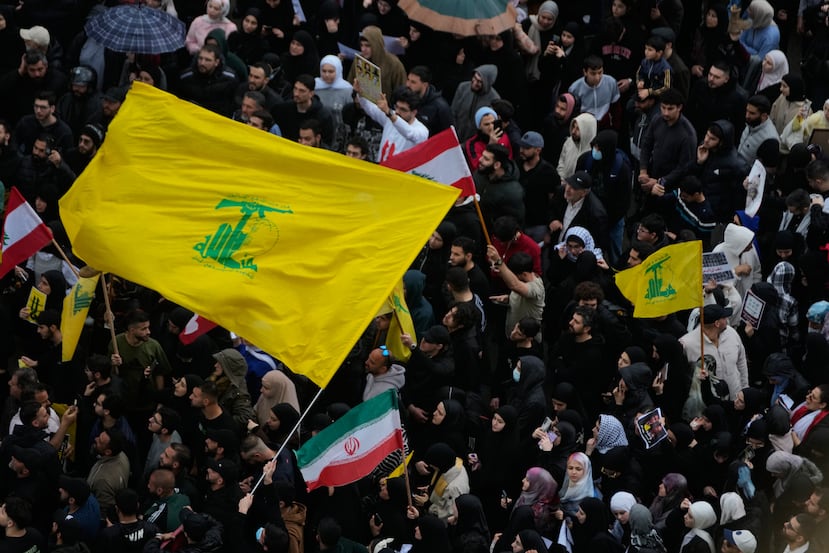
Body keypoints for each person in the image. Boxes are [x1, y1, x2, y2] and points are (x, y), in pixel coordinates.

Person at [353, 82, 427, 162]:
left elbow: (410, 133)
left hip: (400, 173)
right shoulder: (390, 116)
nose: (397, 112)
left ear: (414, 112)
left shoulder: (422, 130)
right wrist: (360, 93)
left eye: (403, 109)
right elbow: (370, 108)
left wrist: (389, 113)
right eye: (396, 107)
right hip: (381, 168)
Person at [176, 44, 239, 116]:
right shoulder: (186, 77)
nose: (202, 63)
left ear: (216, 62)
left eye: (207, 60)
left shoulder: (229, 78)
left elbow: (233, 104)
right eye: (200, 58)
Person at [568, 55, 621, 129]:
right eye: (593, 73)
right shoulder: (575, 88)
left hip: (605, 126)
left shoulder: (611, 82)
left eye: (600, 73)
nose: (597, 77)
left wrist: (615, 128)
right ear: (585, 72)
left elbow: (616, 108)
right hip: (584, 126)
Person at [451, 65, 501, 141]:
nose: (474, 83)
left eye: (479, 81)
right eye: (474, 78)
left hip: (475, 143)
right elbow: (453, 112)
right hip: (455, 136)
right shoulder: (463, 87)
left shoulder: (494, 99)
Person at [406, 65, 453, 136]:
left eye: (413, 82)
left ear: (425, 85)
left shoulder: (440, 107)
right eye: (408, 80)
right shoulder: (405, 98)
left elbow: (448, 134)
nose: (408, 85)